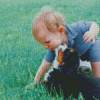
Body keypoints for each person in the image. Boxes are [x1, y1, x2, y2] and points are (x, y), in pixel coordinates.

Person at [32, 6, 100, 84]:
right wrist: (36, 82)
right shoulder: (54, 47)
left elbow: (93, 24)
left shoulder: (77, 28)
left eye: (47, 42)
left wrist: (92, 32)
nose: (45, 46)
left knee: (96, 65)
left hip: (90, 45)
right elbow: (45, 64)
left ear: (61, 31)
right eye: (42, 44)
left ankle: (97, 81)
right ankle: (84, 64)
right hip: (79, 54)